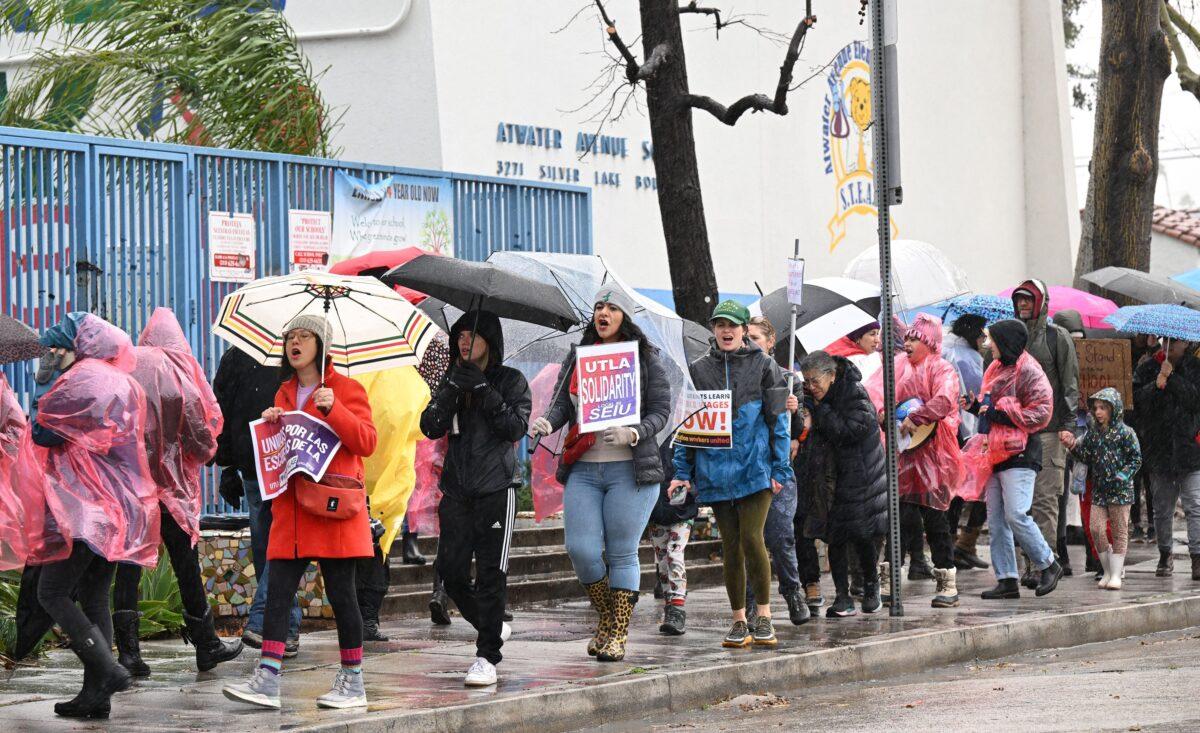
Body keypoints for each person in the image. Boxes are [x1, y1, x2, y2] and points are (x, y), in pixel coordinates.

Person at [223, 314, 378, 710]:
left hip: (332, 509)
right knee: (277, 594)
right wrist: (273, 423)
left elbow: (366, 442)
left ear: (321, 345)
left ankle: (353, 683)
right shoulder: (283, 392)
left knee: (343, 596)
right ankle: (268, 679)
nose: (295, 343)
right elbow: (282, 452)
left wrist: (335, 410)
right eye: (290, 336)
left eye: (305, 336)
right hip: (291, 511)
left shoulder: (346, 388)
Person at [29, 313, 158, 719]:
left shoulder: (85, 378)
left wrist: (46, 391)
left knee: (51, 592)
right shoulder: (121, 380)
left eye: (55, 350)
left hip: (89, 507)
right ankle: (95, 696)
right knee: (94, 594)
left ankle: (106, 669)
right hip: (121, 508)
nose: (49, 357)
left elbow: (44, 432)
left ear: (76, 348)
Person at [532, 286, 671, 661]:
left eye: (612, 307)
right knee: (581, 550)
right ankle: (608, 616)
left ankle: (618, 634)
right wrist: (548, 420)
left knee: (622, 551)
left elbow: (661, 410)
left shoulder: (645, 359)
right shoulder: (579, 357)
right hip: (585, 468)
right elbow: (562, 402)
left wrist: (635, 432)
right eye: (598, 307)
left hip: (631, 470)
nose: (603, 313)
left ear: (625, 317)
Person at [111, 308, 243, 677]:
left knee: (129, 565)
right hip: (172, 492)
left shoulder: (128, 368)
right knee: (186, 566)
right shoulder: (182, 373)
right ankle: (206, 644)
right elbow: (204, 438)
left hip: (132, 489)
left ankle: (129, 653)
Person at [668, 300, 794, 648]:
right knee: (731, 546)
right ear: (713, 329)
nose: (726, 330)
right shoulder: (697, 370)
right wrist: (682, 471)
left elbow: (778, 421)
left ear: (743, 330)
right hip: (715, 472)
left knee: (753, 539)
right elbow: (687, 426)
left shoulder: (766, 366)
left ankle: (764, 616)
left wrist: (780, 468)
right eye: (719, 325)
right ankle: (739, 620)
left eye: (732, 325)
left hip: (756, 470)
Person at [422, 309, 531, 685]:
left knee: (490, 575)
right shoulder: (452, 378)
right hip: (456, 490)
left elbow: (515, 428)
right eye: (460, 336)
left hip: (496, 490)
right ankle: (493, 626)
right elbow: (429, 424)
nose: (464, 342)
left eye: (472, 335)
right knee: (450, 574)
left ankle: (486, 657)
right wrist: (454, 388)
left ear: (490, 340)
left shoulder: (511, 380)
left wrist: (484, 390)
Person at [212, 346, 303, 656]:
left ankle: (264, 620)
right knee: (267, 550)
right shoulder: (236, 359)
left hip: (286, 467)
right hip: (253, 467)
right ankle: (286, 627)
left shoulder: (296, 359)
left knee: (277, 547)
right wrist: (226, 466)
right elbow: (221, 411)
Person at [968, 319, 1063, 600]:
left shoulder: (1030, 371)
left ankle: (1049, 563)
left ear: (1006, 341)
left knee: (1016, 514)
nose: (989, 345)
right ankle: (1006, 578)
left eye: (993, 340)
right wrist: (975, 407)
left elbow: (1041, 413)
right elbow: (990, 408)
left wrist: (1001, 413)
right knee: (996, 520)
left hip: (1021, 453)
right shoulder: (996, 368)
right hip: (995, 450)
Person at [798, 351, 887, 617]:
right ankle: (842, 596)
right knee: (834, 536)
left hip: (861, 475)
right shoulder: (811, 399)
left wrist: (821, 411)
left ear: (832, 375)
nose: (812, 388)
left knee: (862, 533)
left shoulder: (854, 393)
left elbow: (851, 431)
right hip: (829, 477)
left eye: (816, 382)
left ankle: (871, 586)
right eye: (807, 382)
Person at [885, 314, 964, 608]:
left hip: (935, 454)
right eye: (906, 337)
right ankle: (890, 578)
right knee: (900, 515)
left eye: (914, 338)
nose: (908, 343)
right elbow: (881, 395)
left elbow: (944, 400)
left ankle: (947, 582)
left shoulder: (941, 368)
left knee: (935, 518)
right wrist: (884, 414)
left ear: (929, 342)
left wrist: (914, 418)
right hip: (905, 453)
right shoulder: (898, 367)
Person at [352, 364, 433, 642]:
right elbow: (422, 425)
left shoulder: (346, 373)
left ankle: (360, 618)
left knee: (360, 548)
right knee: (377, 545)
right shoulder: (409, 377)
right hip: (390, 475)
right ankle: (368, 618)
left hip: (356, 470)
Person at [1010, 280, 1079, 585]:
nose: (1023, 305)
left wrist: (1067, 425)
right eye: (1019, 300)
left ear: (1040, 302)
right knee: (1020, 504)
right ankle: (1028, 564)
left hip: (1050, 432)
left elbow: (1069, 384)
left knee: (1044, 500)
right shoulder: (1012, 336)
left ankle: (1045, 562)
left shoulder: (1057, 337)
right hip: (1016, 431)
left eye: (1028, 300)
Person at [743, 315, 808, 625]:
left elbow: (796, 431)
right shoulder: (738, 377)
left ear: (770, 342)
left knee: (781, 535)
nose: (749, 342)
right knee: (750, 539)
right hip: (746, 469)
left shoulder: (788, 379)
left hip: (777, 470)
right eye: (747, 336)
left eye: (756, 337)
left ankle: (793, 592)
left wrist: (794, 411)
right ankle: (752, 604)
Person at [1132, 338, 1200, 579]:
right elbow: (1136, 402)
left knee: (1195, 506)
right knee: (1162, 509)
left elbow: (1194, 400)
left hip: (1189, 450)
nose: (1171, 348)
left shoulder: (1195, 367)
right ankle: (1164, 553)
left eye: (1177, 343)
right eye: (1168, 343)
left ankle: (1197, 557)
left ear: (1186, 344)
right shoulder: (1148, 368)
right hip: (1159, 450)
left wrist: (1173, 379)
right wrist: (1156, 384)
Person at [1062, 388, 1142, 590]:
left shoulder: (1126, 433)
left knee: (1119, 531)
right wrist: (1072, 446)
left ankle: (1116, 573)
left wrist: (1123, 476)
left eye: (1103, 408)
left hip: (1120, 491)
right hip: (1100, 490)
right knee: (1095, 528)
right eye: (1096, 408)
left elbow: (1135, 458)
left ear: (1113, 409)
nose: (1098, 412)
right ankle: (1107, 570)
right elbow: (1085, 455)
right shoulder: (1093, 435)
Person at [942, 314, 990, 571]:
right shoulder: (968, 358)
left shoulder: (945, 350)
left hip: (950, 428)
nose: (985, 340)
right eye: (983, 335)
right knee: (977, 488)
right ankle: (965, 544)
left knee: (955, 490)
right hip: (969, 428)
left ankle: (951, 546)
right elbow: (981, 392)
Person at [648, 440, 696, 635]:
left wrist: (694, 487)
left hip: (682, 507)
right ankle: (670, 604)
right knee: (662, 560)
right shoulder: (649, 433)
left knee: (674, 553)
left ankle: (677, 608)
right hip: (655, 507)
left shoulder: (684, 431)